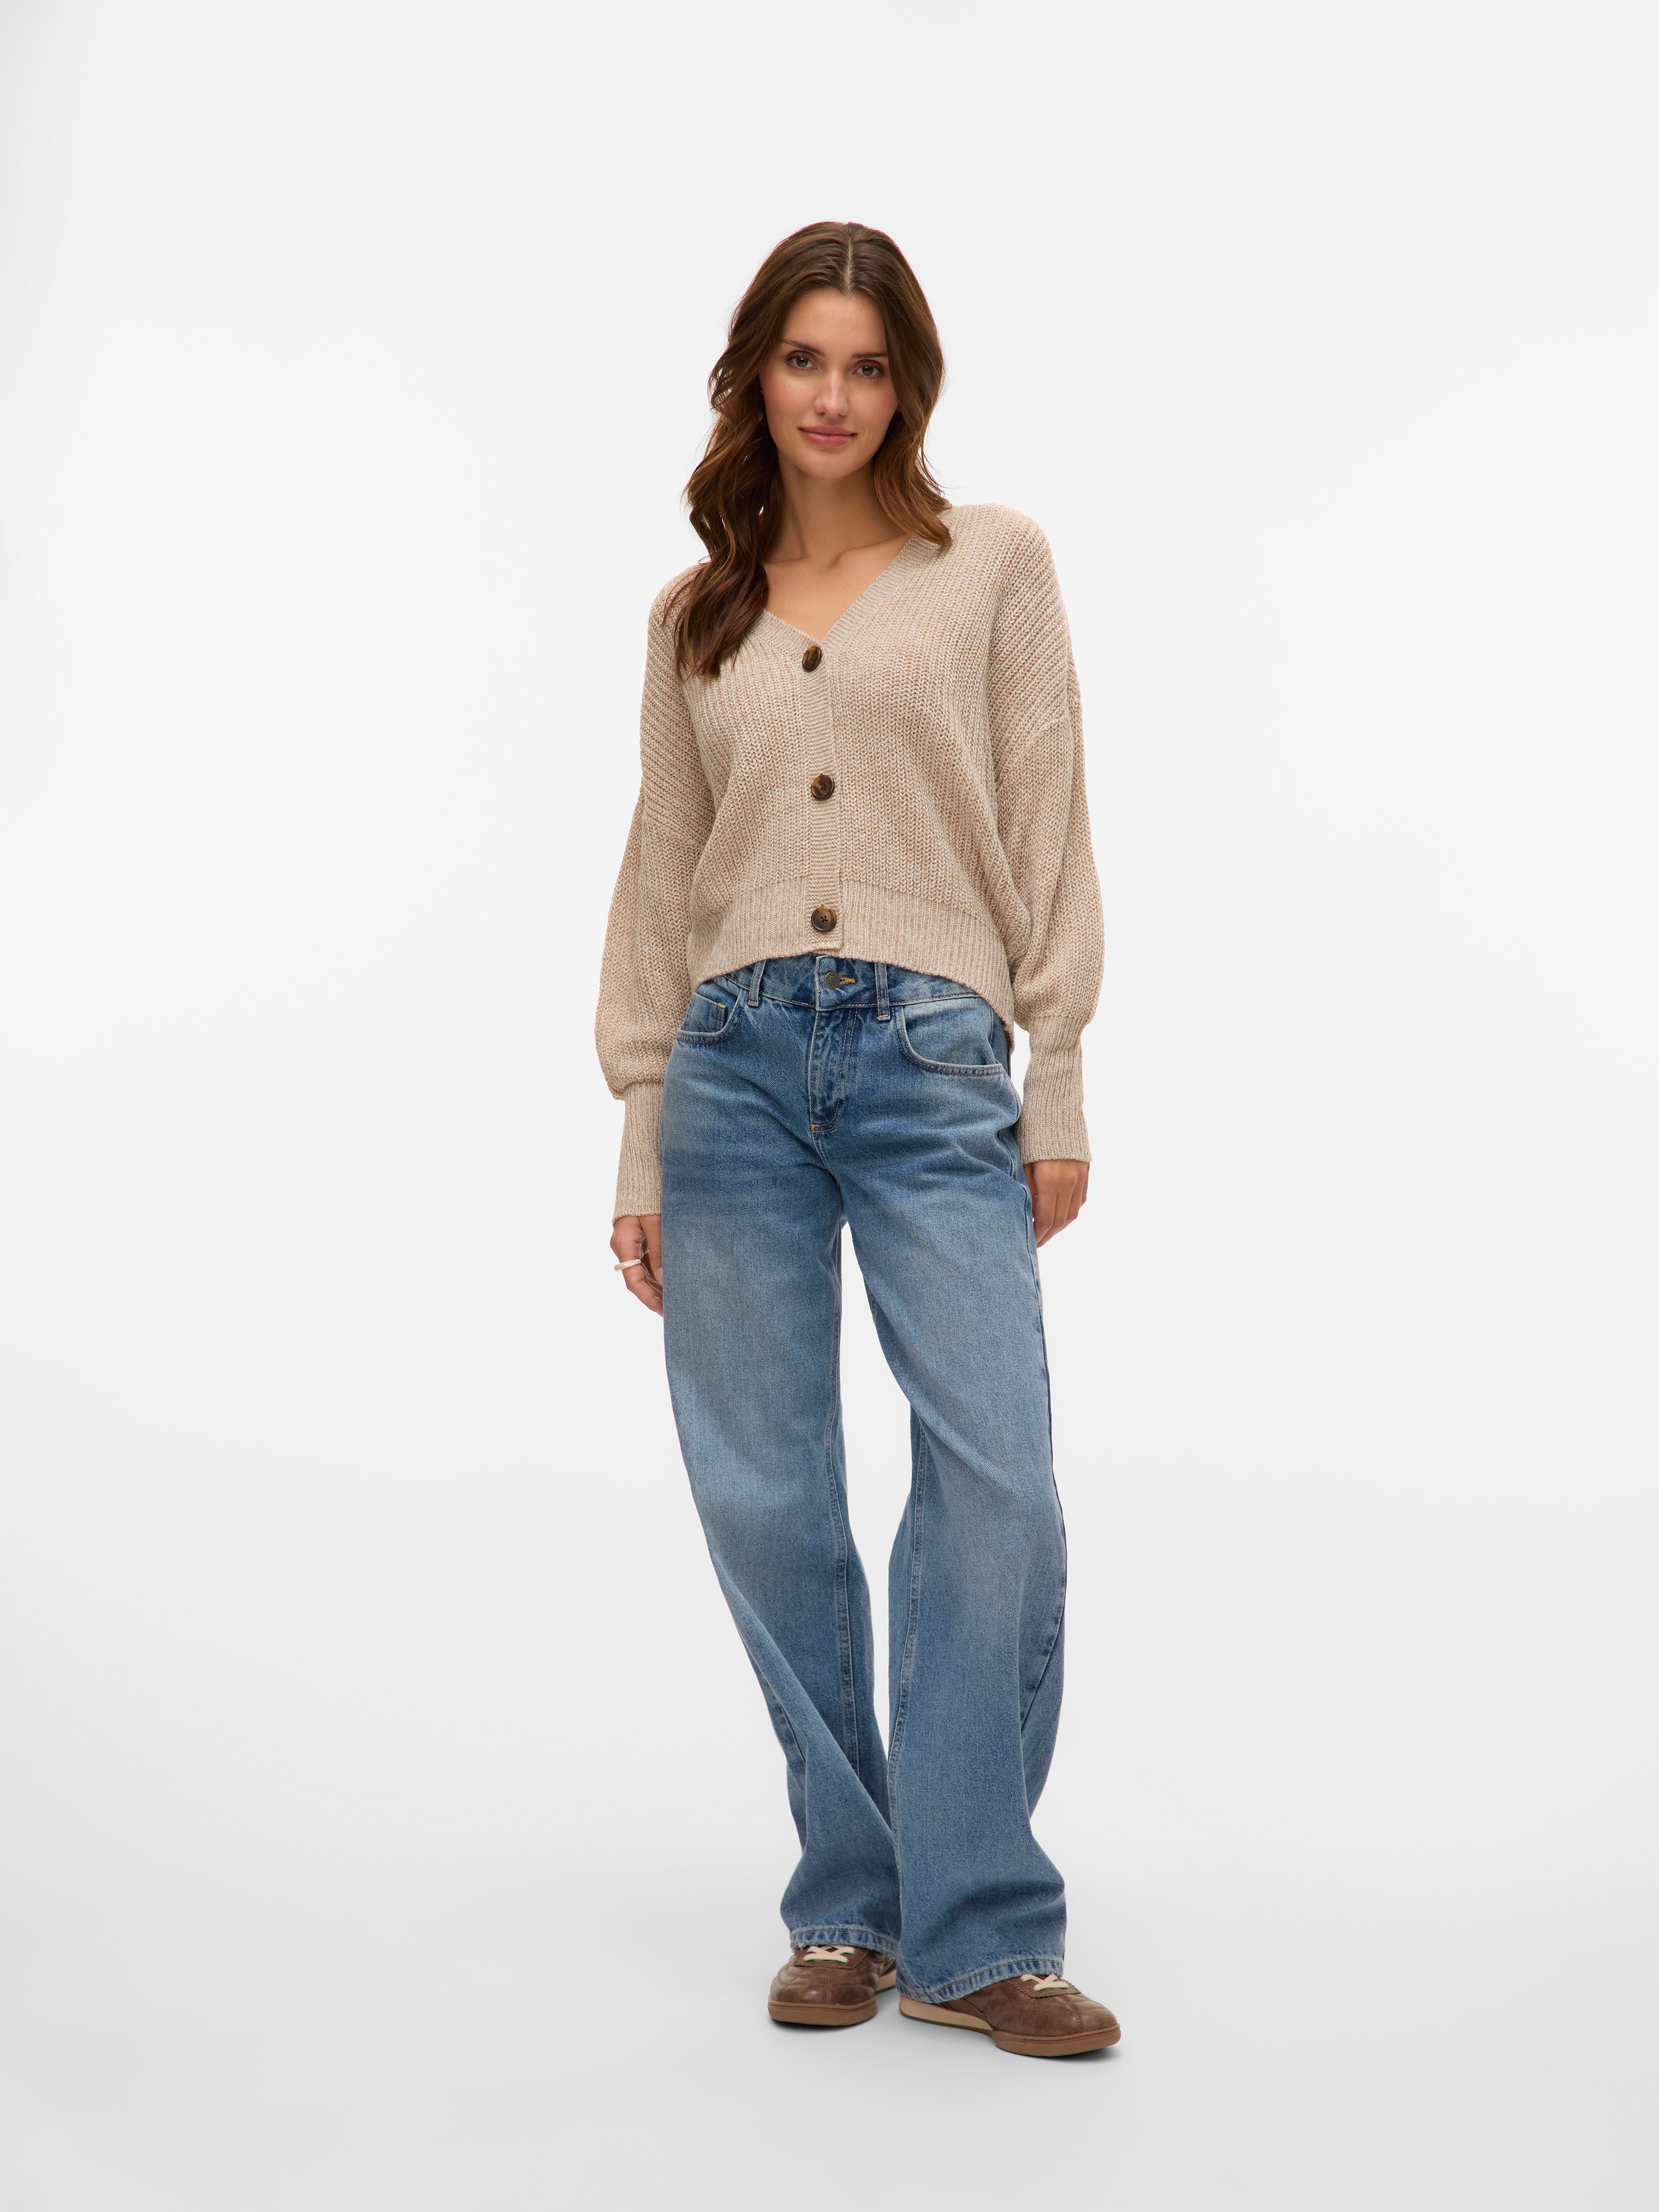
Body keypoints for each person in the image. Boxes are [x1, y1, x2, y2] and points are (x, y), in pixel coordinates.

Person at [595, 221, 1119, 2059]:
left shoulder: (993, 569)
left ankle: (981, 1929)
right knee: (765, 1495)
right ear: (757, 374)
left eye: (869, 365)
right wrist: (642, 1127)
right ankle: (849, 1898)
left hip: (930, 1055)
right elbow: (664, 869)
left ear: (910, 386)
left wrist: (1056, 1076)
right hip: (730, 1067)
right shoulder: (696, 616)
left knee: (1000, 1481)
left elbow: (1048, 819)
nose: (835, 396)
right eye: (805, 359)